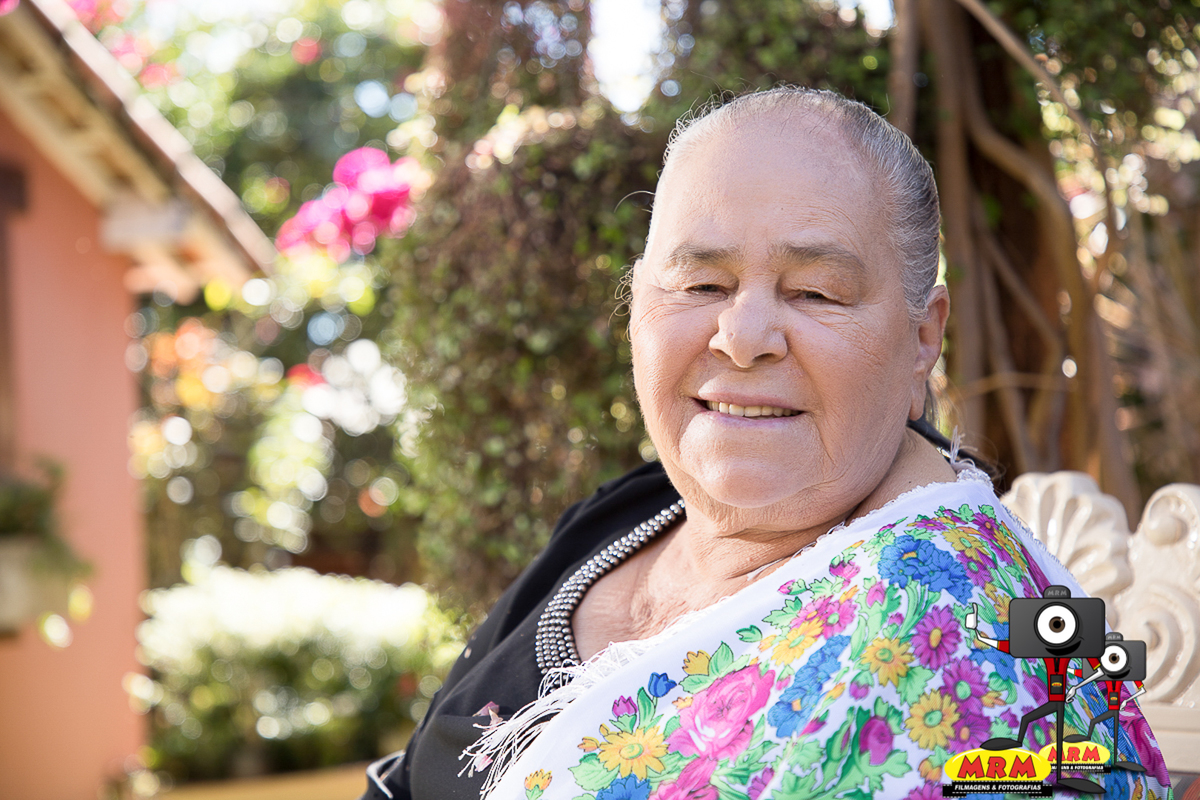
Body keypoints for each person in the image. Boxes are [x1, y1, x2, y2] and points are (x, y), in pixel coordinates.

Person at [360, 87, 1173, 800]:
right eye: (701, 284)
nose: (743, 337)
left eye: (815, 292)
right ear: (638, 307)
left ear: (923, 338)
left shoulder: (973, 642)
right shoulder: (631, 511)